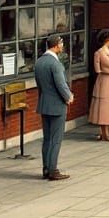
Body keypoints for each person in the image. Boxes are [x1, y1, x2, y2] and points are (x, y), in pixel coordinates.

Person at [34, 33, 74, 181]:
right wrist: (69, 96)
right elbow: (61, 84)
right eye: (61, 44)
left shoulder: (39, 62)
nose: (62, 46)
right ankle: (53, 170)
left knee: (47, 138)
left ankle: (46, 168)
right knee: (56, 139)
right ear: (57, 45)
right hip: (57, 105)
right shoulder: (55, 64)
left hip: (44, 103)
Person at [88, 28, 109, 141]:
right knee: (104, 105)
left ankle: (106, 131)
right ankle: (104, 132)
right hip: (104, 80)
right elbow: (98, 69)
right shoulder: (99, 53)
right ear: (107, 39)